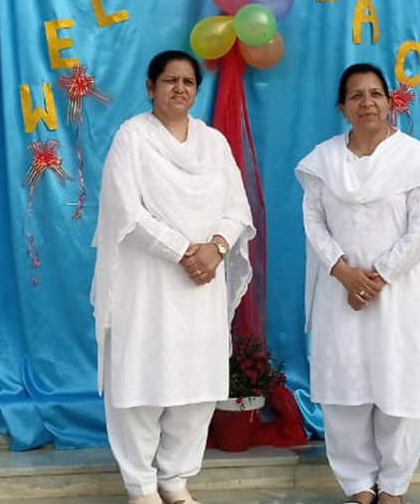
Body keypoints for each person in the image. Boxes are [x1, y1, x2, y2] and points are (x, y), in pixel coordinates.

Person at [91, 50, 254, 504]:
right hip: (148, 281)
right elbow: (126, 211)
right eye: (169, 80)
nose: (179, 88)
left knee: (196, 384)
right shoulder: (133, 138)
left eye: (188, 82)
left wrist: (216, 248)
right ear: (150, 87)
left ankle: (175, 481)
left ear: (196, 91)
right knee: (141, 379)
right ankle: (141, 486)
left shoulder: (214, 143)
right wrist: (184, 250)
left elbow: (237, 209)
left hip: (203, 280)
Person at [295, 63, 420, 504]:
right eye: (356, 96)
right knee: (345, 388)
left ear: (391, 103)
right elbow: (313, 219)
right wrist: (343, 272)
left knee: (399, 386)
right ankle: (356, 486)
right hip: (340, 292)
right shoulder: (324, 161)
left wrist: (379, 277)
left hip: (402, 294)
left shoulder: (416, 160)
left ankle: (393, 486)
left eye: (376, 94)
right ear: (342, 107)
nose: (367, 102)